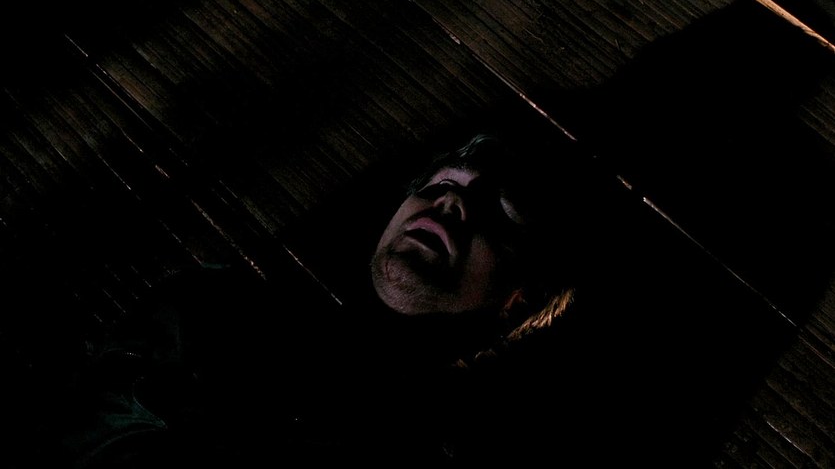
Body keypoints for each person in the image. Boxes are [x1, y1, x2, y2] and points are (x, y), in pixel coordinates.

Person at [37, 131, 595, 467]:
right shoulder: (215, 304)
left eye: (499, 212)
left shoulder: (445, 446)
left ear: (523, 297)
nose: (451, 204)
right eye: (438, 185)